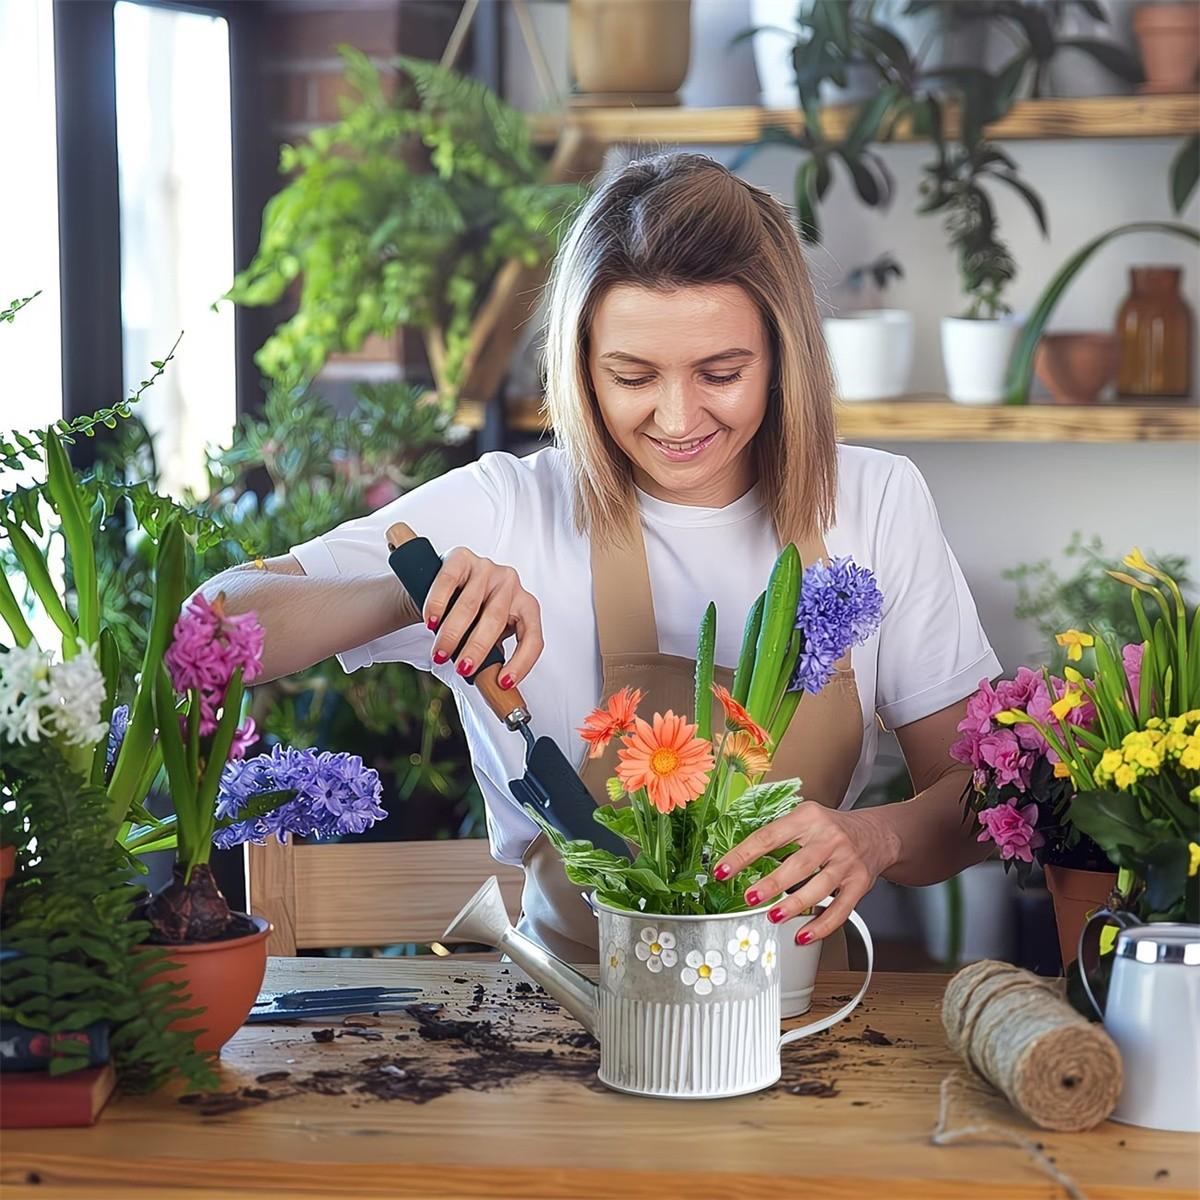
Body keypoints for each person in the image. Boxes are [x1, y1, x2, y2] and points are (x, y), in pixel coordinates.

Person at [203, 152, 1000, 964]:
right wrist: (410, 597)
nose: (678, 416)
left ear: (783, 358)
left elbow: (974, 807)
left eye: (721, 373)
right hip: (561, 1027)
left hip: (798, 1021)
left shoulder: (873, 501)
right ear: (582, 366)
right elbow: (210, 625)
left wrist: (875, 836)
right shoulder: (509, 506)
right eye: (632, 375)